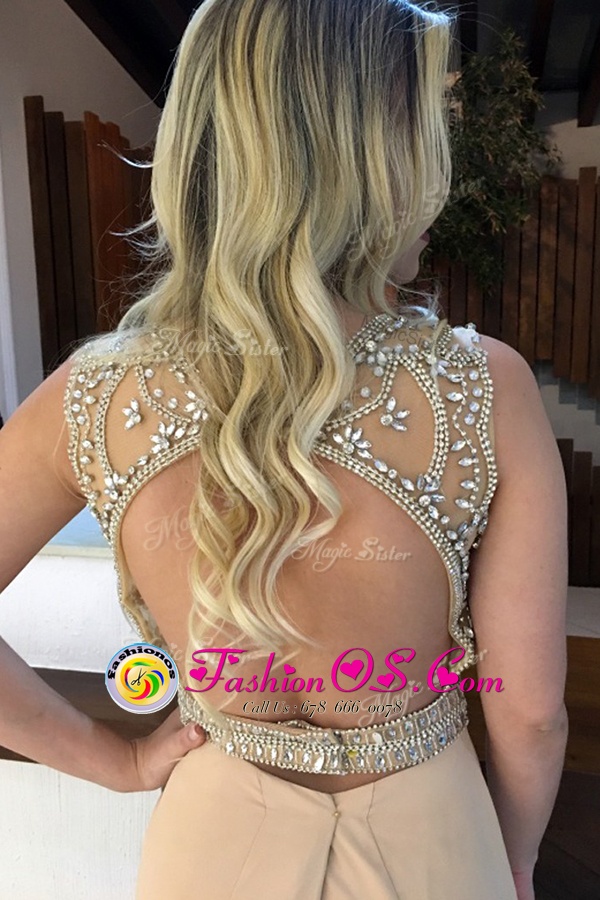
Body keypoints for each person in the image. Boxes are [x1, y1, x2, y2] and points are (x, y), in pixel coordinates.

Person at [0, 1, 569, 898]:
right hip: (436, 839)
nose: (441, 176)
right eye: (419, 135)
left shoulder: (92, 396)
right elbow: (531, 712)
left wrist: (116, 763)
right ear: (355, 162)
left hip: (211, 844)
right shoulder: (484, 384)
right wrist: (519, 858)